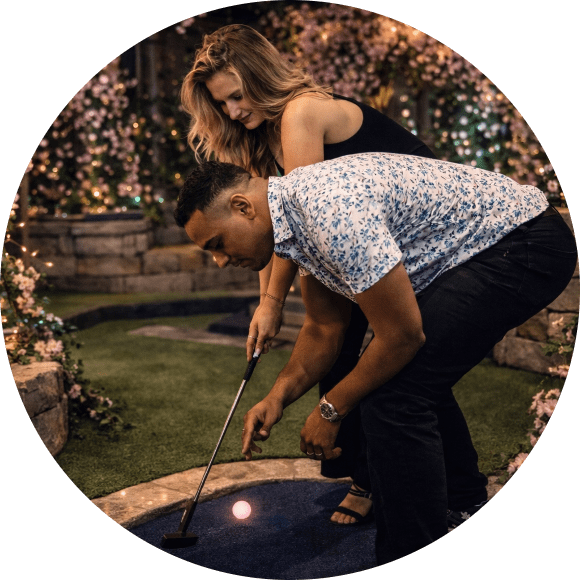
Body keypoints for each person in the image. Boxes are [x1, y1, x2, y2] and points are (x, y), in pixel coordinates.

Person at [173, 152, 577, 564]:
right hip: (489, 249)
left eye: (218, 244)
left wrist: (330, 409)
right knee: (396, 386)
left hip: (522, 241)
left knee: (393, 397)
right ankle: (460, 506)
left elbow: (402, 337)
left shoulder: (327, 209)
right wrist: (277, 396)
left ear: (243, 207)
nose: (221, 260)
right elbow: (325, 328)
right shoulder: (296, 218)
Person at [181, 23, 436, 524]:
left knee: (396, 365)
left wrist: (275, 303)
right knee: (337, 350)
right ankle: (366, 475)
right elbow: (269, 228)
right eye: (222, 104)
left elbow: (300, 218)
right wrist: (264, 303)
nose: (232, 111)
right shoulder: (259, 137)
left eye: (237, 96)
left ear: (261, 75)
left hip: (416, 239)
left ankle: (425, 487)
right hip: (360, 245)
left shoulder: (302, 112)